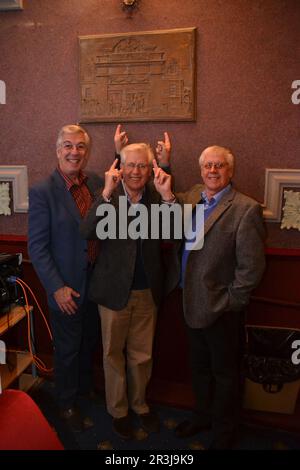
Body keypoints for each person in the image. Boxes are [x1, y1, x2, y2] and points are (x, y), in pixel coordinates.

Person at [163, 145, 266, 449]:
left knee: (225, 375)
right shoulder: (194, 195)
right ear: (201, 170)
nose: (212, 171)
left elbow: (251, 268)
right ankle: (202, 416)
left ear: (230, 171)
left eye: (219, 166)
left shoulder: (245, 209)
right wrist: (165, 164)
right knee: (199, 368)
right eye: (207, 165)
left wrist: (232, 302)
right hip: (188, 301)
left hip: (222, 309)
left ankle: (225, 432)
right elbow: (168, 204)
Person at [80, 140, 172, 440]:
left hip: (147, 293)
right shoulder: (107, 195)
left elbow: (174, 231)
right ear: (120, 167)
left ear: (150, 169)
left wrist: (168, 193)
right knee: (112, 355)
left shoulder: (157, 199)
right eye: (130, 164)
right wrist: (106, 194)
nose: (135, 171)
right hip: (112, 292)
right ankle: (118, 410)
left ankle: (140, 405)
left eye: (142, 165)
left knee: (142, 355)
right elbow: (87, 231)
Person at [28, 124, 102, 432]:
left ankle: (84, 390)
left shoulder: (96, 182)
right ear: (58, 151)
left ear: (87, 151)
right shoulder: (42, 191)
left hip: (96, 285)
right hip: (66, 288)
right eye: (68, 146)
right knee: (68, 349)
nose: (74, 152)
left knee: (88, 343)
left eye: (80, 146)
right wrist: (56, 289)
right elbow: (37, 247)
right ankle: (66, 403)